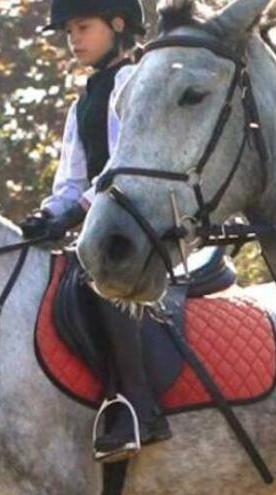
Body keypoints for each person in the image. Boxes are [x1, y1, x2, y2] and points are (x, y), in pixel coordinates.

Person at [19, 0, 172, 463]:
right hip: (101, 224)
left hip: (144, 222)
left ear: (118, 24)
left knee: (103, 276)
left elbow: (125, 164)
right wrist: (49, 216)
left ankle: (137, 407)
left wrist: (79, 210)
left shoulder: (139, 82)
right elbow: (71, 179)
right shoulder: (83, 100)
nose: (74, 39)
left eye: (83, 27)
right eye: (69, 31)